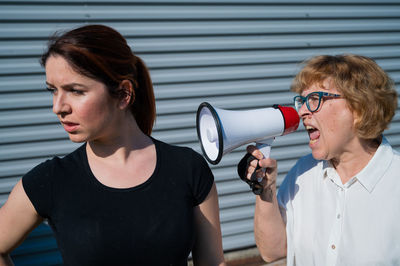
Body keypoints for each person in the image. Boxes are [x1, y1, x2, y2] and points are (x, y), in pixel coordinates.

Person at [0, 24, 226, 266]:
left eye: (75, 91)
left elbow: (213, 263)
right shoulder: (52, 180)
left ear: (123, 94)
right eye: (53, 90)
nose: (58, 107)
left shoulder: (187, 169)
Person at [239, 54, 399, 265]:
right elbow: (273, 251)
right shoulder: (303, 172)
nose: (302, 111)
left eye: (315, 99)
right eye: (302, 101)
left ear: (359, 107)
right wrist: (266, 191)